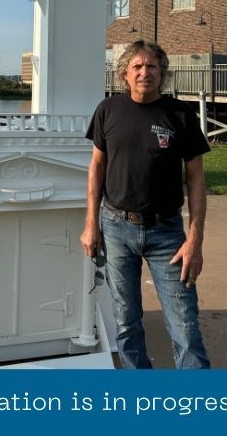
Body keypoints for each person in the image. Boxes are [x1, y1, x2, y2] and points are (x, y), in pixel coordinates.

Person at [81, 40, 211, 368]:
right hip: (115, 228)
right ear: (124, 73)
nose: (144, 72)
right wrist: (90, 224)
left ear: (162, 73)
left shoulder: (180, 114)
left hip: (166, 231)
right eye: (137, 66)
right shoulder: (107, 111)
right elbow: (97, 167)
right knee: (126, 322)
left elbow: (196, 178)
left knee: (185, 325)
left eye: (151, 66)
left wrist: (195, 239)